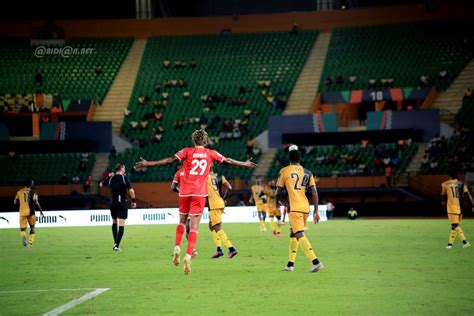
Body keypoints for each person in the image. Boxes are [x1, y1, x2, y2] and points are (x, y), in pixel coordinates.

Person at [135, 129, 256, 275]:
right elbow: (229, 161)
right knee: (193, 228)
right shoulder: (211, 153)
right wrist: (245, 164)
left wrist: (148, 163)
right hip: (199, 193)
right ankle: (187, 256)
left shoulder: (186, 151)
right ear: (205, 141)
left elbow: (169, 160)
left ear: (194, 141)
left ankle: (177, 246)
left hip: (185, 192)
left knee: (181, 222)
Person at [276, 145, 323, 273]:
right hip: (305, 207)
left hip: (294, 207)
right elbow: (314, 191)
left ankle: (315, 262)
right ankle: (290, 264)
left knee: (299, 234)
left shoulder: (284, 170)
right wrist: (316, 210)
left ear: (289, 157)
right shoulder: (308, 172)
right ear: (300, 158)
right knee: (293, 233)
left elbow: (278, 191)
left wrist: (278, 203)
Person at [99, 164, 137, 251]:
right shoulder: (124, 178)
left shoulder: (111, 178)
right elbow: (131, 190)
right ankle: (117, 245)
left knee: (114, 222)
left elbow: (101, 185)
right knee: (121, 225)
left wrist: (107, 177)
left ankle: (115, 242)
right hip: (122, 203)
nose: (125, 169)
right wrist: (133, 201)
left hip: (113, 203)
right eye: (124, 168)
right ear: (121, 169)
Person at [206, 170, 238, 258]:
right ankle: (219, 250)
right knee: (211, 226)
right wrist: (224, 197)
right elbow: (229, 187)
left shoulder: (204, 177)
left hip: (213, 205)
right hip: (221, 203)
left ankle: (231, 249)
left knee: (217, 227)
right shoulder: (220, 175)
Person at [171, 165, 198, 260]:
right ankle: (192, 250)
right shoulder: (196, 171)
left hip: (184, 198)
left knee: (183, 223)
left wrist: (180, 191)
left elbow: (173, 187)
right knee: (191, 227)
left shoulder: (179, 172)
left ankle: (178, 246)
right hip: (195, 198)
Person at [441, 170, 472, 249]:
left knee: (455, 225)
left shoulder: (445, 184)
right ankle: (449, 244)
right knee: (454, 226)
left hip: (452, 208)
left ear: (449, 176)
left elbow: (442, 196)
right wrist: (472, 205)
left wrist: (443, 201)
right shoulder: (462, 183)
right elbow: (468, 194)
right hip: (460, 208)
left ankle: (465, 242)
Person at [14, 179, 44, 247]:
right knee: (32, 227)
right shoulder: (34, 192)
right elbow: (36, 202)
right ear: (31, 184)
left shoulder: (19, 192)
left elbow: (15, 201)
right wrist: (41, 211)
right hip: (31, 212)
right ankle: (30, 243)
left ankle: (24, 237)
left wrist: (20, 202)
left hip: (22, 212)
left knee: (22, 229)